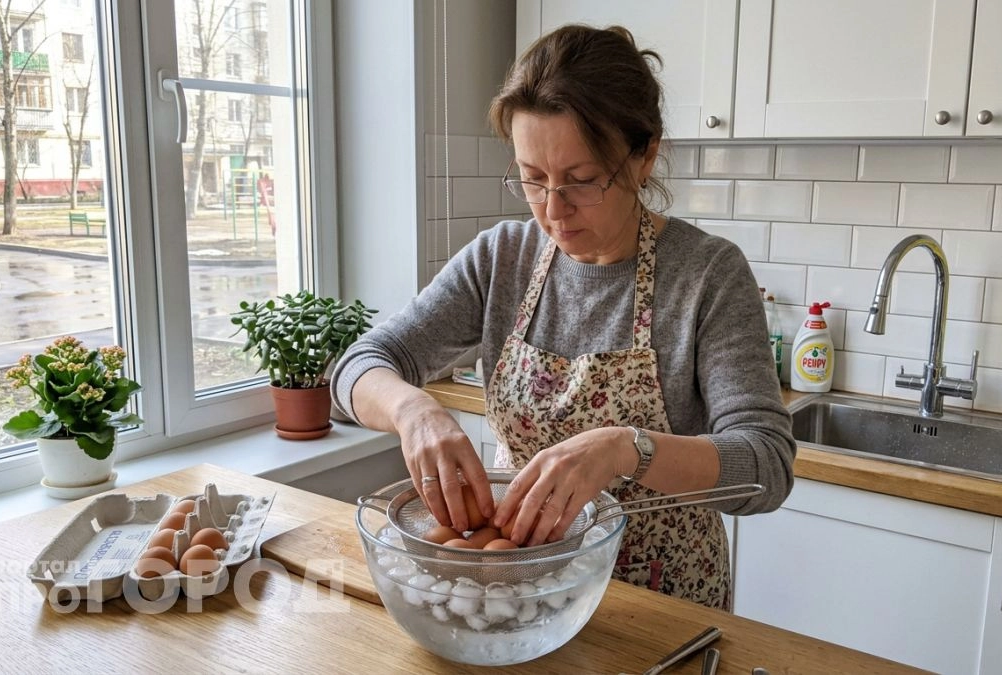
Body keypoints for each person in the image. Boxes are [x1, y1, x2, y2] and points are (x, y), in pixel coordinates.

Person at [331, 24, 795, 610]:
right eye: (532, 178)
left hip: (661, 607)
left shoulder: (707, 275)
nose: (553, 210)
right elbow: (356, 367)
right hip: (519, 601)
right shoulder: (503, 257)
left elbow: (766, 466)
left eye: (581, 181)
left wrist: (628, 448)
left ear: (645, 154)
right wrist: (412, 410)